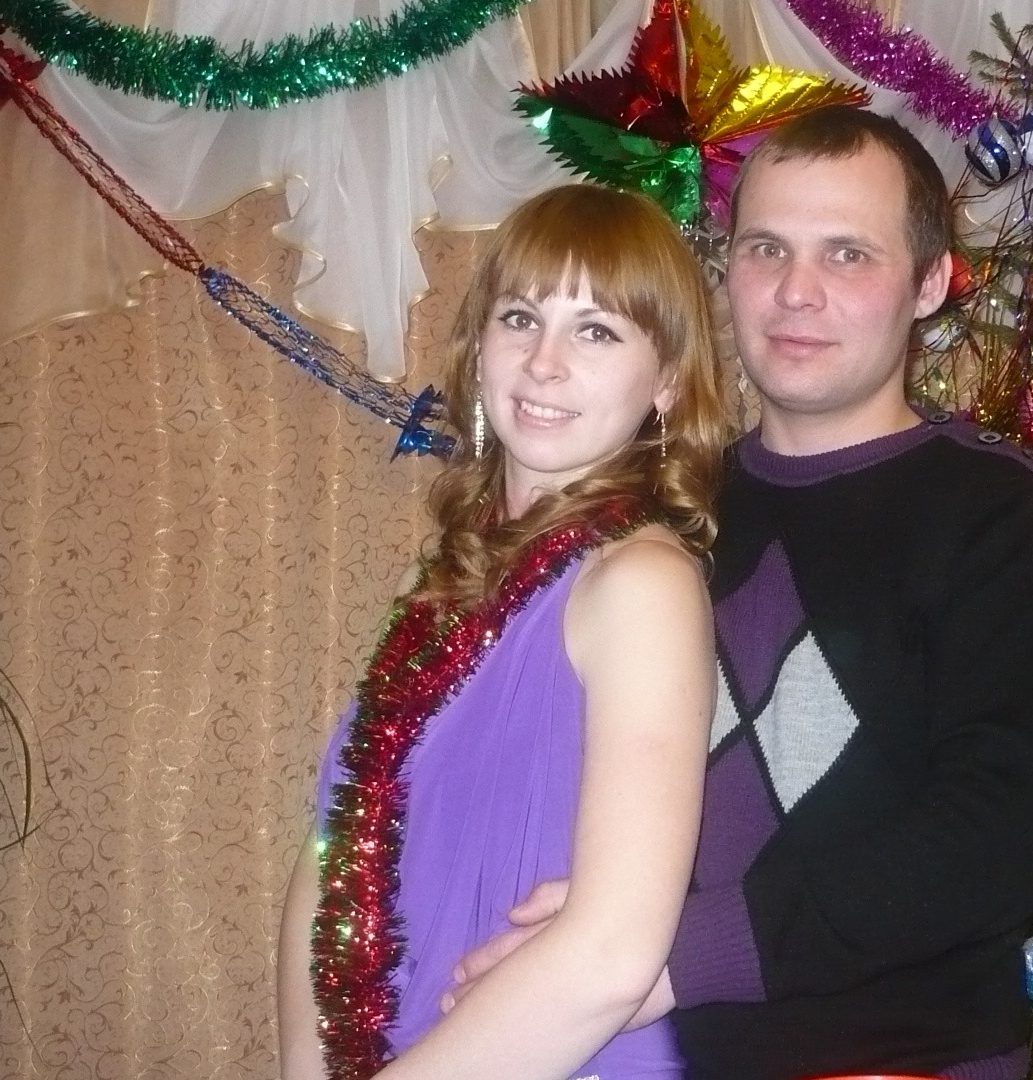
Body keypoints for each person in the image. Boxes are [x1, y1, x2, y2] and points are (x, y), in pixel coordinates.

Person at [451, 107, 1033, 1080]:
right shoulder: (658, 511)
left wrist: (683, 956)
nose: (797, 291)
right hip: (632, 1055)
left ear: (931, 283)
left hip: (897, 1061)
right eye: (766, 249)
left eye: (848, 254)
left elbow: (987, 846)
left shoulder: (1009, 520)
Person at [277, 183, 732, 1080]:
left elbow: (613, 955)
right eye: (521, 318)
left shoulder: (641, 585)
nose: (544, 363)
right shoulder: (432, 583)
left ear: (668, 382)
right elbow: (330, 852)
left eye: (596, 331)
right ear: (479, 347)